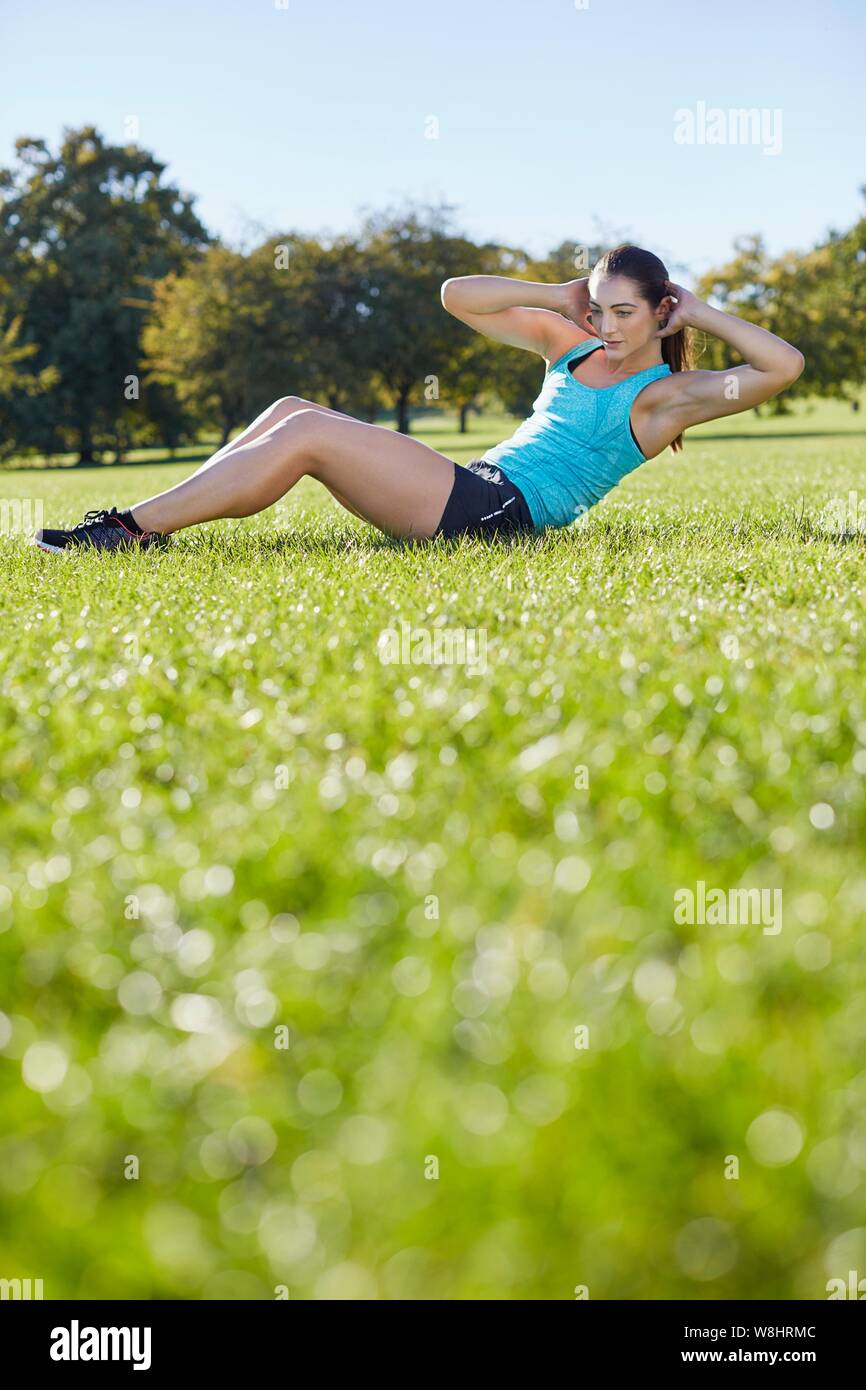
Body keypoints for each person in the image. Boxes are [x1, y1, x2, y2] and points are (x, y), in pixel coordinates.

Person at [33, 244, 804, 553]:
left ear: (659, 313)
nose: (606, 326)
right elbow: (456, 296)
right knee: (293, 409)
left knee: (309, 440)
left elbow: (783, 366)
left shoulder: (663, 398)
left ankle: (132, 532)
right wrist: (557, 295)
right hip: (475, 485)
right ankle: (145, 520)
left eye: (625, 313)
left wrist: (696, 310)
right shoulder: (571, 343)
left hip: (500, 516)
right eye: (599, 309)